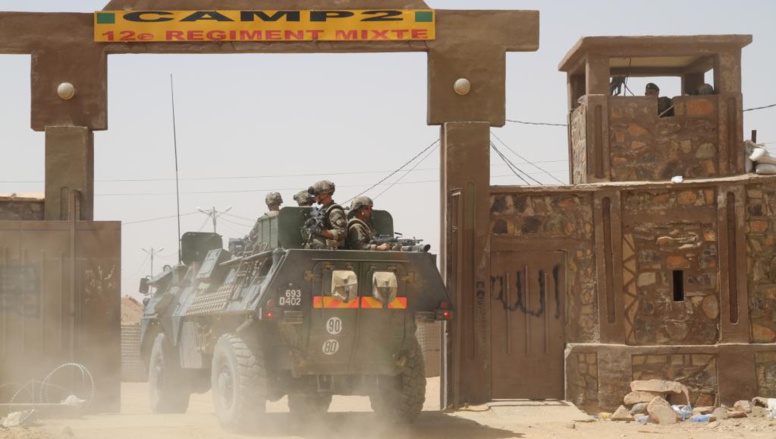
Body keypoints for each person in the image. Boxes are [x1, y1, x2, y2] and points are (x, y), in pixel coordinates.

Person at [306, 180, 346, 249]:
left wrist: (321, 231)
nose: (314, 197)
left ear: (323, 194)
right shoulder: (323, 210)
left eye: (316, 194)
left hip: (332, 254)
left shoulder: (334, 211)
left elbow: (342, 233)